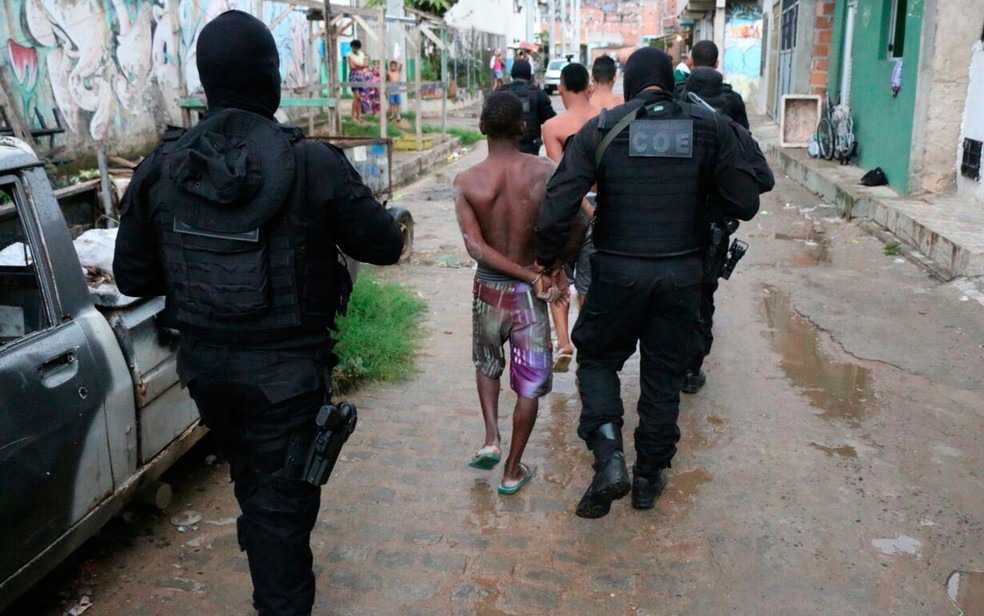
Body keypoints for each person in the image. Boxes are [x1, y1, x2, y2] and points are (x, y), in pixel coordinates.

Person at [113, 11, 404, 615]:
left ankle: (268, 545)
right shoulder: (312, 163)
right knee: (281, 510)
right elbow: (383, 243)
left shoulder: (160, 168)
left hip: (206, 371)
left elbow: (132, 277)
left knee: (258, 482)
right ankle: (277, 585)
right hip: (285, 378)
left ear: (205, 79)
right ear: (272, 77)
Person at [534, 47, 760, 519]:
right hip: (682, 276)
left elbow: (557, 206)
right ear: (672, 84)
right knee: (662, 375)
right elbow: (747, 199)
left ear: (628, 82)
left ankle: (610, 457)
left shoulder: (601, 127)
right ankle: (647, 479)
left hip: (616, 272)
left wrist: (547, 260)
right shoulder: (709, 128)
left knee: (596, 361)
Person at [453, 91, 561, 495]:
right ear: (522, 127)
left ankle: (490, 438)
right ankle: (513, 470)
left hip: (488, 289)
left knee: (486, 361)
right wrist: (546, 272)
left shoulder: (466, 182)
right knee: (529, 381)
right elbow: (570, 221)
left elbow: (476, 248)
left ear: (482, 126)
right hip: (529, 295)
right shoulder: (544, 171)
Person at [674, 40, 768, 393]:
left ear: (690, 62)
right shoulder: (731, 103)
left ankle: (671, 361)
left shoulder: (676, 98)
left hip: (677, 216)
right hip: (715, 222)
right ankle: (690, 368)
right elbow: (748, 162)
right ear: (716, 63)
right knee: (703, 297)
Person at [541, 63, 598, 372]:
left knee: (559, 272)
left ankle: (564, 341)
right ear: (589, 86)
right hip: (601, 208)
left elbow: (559, 176)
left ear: (561, 87)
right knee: (589, 285)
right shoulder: (605, 119)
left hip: (568, 211)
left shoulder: (553, 126)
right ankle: (587, 345)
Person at [676, 40, 749, 129]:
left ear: (691, 62)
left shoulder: (677, 95)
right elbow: (744, 137)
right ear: (717, 64)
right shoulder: (734, 99)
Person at [496, 59, 556, 155]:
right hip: (530, 151)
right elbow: (552, 119)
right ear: (529, 75)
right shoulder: (538, 94)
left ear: (512, 74)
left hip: (503, 151)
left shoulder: (499, 93)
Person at [347, 39, 370, 122]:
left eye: (356, 47)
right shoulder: (349, 55)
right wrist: (361, 66)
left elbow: (366, 65)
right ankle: (353, 116)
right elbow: (352, 67)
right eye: (353, 47)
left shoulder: (361, 54)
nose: (354, 49)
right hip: (354, 77)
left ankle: (358, 117)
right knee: (357, 96)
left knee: (359, 98)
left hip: (361, 76)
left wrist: (359, 65)